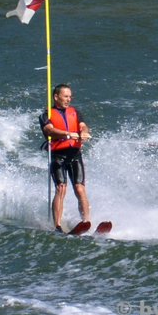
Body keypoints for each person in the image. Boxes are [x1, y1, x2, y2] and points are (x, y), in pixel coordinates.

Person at [39, 83, 92, 232]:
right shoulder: (46, 114)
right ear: (56, 97)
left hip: (74, 155)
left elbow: (83, 125)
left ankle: (86, 222)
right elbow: (49, 130)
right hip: (58, 156)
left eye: (70, 96)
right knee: (61, 188)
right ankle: (58, 226)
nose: (69, 99)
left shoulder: (75, 112)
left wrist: (83, 132)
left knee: (80, 189)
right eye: (65, 96)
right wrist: (67, 134)